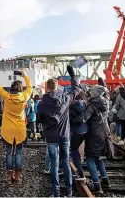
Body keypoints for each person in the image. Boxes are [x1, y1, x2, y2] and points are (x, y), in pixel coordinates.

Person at [37, 65, 80, 197]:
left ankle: (56, 194)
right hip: (65, 135)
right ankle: (69, 192)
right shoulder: (65, 99)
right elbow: (76, 89)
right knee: (66, 161)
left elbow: (39, 119)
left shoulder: (42, 103)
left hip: (51, 137)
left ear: (47, 87)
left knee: (54, 165)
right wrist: (72, 75)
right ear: (57, 87)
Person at [69, 91, 88, 181]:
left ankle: (80, 172)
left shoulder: (72, 106)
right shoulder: (86, 104)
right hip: (84, 130)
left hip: (75, 131)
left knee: (73, 150)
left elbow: (70, 119)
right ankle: (80, 167)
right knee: (77, 150)